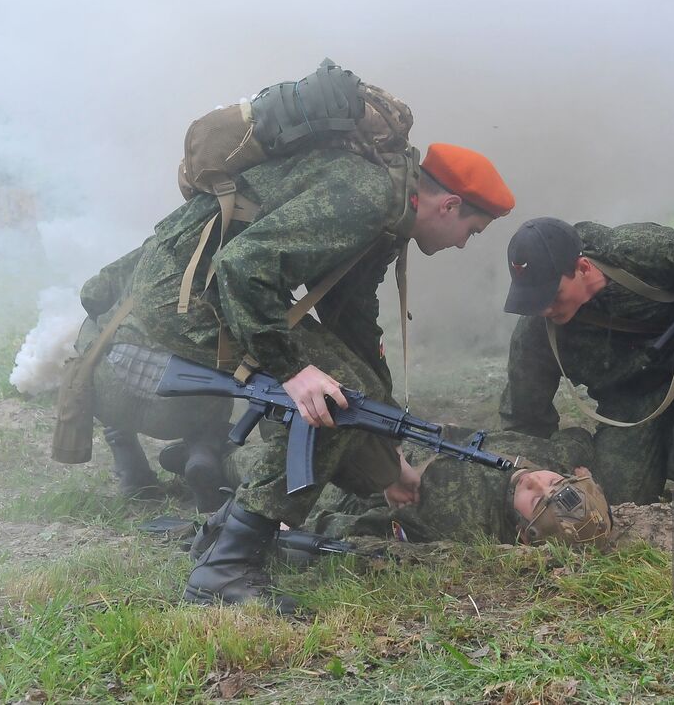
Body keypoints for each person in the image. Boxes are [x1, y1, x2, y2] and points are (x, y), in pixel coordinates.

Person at [63, 81, 514, 612]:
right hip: (183, 294)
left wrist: (388, 447)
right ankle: (227, 565)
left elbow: (351, 321)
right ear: (450, 205)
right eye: (473, 230)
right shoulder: (369, 198)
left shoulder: (389, 210)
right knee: (328, 394)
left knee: (351, 391)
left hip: (208, 285)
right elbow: (243, 267)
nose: (465, 243)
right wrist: (294, 369)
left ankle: (230, 529)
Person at [499, 217, 674, 505]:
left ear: (582, 268)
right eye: (534, 299)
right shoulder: (536, 330)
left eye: (552, 295)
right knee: (617, 499)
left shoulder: (638, 251)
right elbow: (524, 420)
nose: (545, 309)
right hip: (630, 412)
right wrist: (527, 477)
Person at [211, 427, 612, 549]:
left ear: (526, 535)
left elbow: (371, 529)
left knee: (258, 465)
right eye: (556, 480)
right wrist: (582, 468)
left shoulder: (461, 524)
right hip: (387, 442)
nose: (537, 480)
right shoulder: (539, 463)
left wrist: (300, 532)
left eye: (537, 500)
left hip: (352, 480)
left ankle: (210, 460)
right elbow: (571, 439)